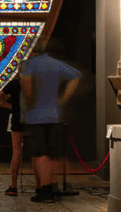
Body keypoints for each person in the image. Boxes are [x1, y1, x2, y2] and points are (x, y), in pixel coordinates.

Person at [20, 38, 81, 203]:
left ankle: (45, 190)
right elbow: (76, 77)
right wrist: (63, 98)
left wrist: (30, 101)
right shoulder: (55, 63)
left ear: (31, 51)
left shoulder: (30, 65)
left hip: (35, 116)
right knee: (53, 154)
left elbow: (27, 86)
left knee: (40, 154)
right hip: (55, 115)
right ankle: (54, 188)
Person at [0, 74, 23, 195]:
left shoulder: (15, 83)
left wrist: (11, 107)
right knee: (37, 154)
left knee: (17, 151)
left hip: (18, 118)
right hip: (34, 117)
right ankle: (39, 187)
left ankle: (13, 186)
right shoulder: (37, 82)